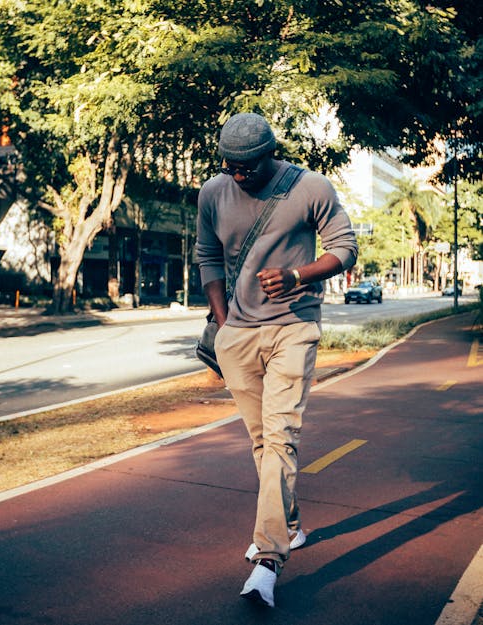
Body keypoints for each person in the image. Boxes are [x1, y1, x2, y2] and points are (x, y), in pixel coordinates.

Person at [196, 112, 358, 607]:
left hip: (294, 326)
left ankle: (268, 561)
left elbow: (345, 249)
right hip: (238, 336)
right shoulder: (213, 192)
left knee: (282, 434)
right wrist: (224, 325)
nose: (239, 175)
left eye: (249, 166)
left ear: (271, 154)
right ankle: (289, 526)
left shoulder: (310, 188)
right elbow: (207, 256)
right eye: (231, 165)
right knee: (263, 441)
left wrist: (298, 276)